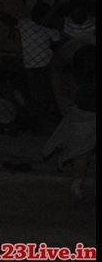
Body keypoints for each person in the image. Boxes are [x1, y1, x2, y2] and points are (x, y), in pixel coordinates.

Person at [0, 0, 63, 130]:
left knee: (47, 96)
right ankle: (36, 123)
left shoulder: (49, 27)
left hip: (47, 66)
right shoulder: (26, 23)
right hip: (32, 66)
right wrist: (0, 14)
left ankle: (45, 122)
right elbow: (11, 20)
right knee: (34, 97)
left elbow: (56, 45)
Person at [44, 35, 95, 197]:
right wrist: (59, 98)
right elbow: (56, 65)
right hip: (89, 97)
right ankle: (77, 181)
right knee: (82, 140)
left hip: (88, 96)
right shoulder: (82, 43)